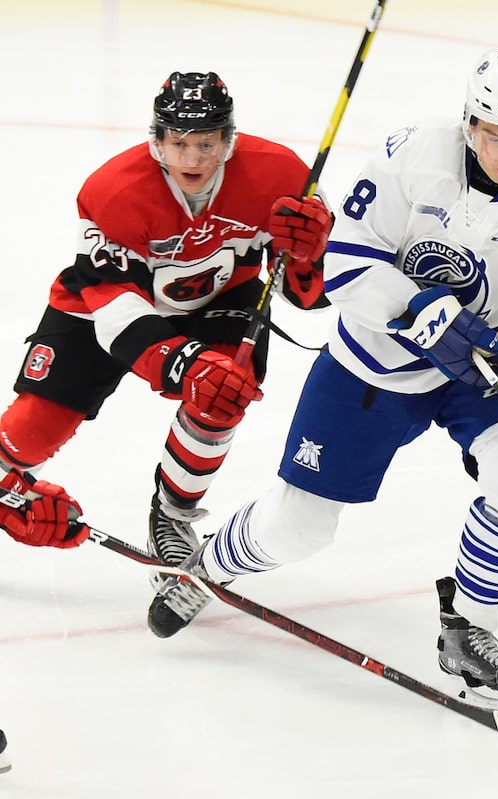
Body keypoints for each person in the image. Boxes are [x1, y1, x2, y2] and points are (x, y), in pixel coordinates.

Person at [147, 51, 498, 699]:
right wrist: (416, 310)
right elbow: (344, 259)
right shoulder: (411, 156)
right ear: (468, 123)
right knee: (301, 527)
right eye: (493, 135)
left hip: (486, 356)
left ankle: (469, 631)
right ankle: (206, 569)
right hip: (377, 355)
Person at [0, 71, 333, 577]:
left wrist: (309, 260)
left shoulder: (282, 176)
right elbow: (115, 312)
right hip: (104, 306)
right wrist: (184, 365)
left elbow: (307, 295)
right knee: (31, 432)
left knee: (226, 388)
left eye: (206, 143)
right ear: (156, 141)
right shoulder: (114, 191)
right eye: (179, 142)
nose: (193, 158)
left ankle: (173, 516)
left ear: (229, 139)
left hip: (220, 297)